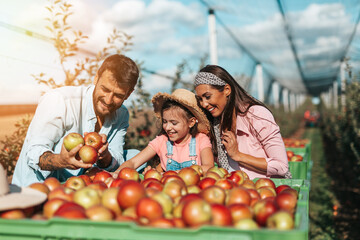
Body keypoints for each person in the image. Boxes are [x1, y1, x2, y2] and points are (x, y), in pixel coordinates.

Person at [12, 54, 140, 187]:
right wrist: (61, 161)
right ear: (96, 78)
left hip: (80, 187)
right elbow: (33, 154)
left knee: (134, 155)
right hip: (38, 188)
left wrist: (105, 156)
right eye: (105, 89)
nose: (108, 100)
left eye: (118, 95)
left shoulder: (122, 114)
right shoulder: (60, 100)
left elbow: (117, 157)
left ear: (129, 94)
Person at [194, 65, 290, 179]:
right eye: (200, 99)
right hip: (234, 192)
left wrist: (238, 155)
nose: (204, 104)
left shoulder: (256, 115)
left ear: (226, 90)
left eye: (208, 96)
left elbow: (282, 166)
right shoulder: (215, 123)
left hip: (265, 190)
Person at [114, 88, 214, 175]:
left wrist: (172, 173)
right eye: (165, 121)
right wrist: (116, 174)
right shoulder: (162, 141)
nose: (168, 127)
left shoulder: (200, 139)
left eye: (174, 123)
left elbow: (209, 167)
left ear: (191, 122)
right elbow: (133, 162)